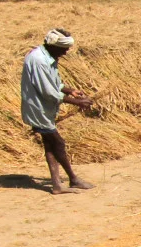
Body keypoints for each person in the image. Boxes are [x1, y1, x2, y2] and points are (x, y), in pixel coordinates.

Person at [20, 28, 95, 194]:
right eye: (64, 49)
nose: (66, 52)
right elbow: (48, 92)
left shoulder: (47, 57)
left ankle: (56, 184)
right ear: (54, 46)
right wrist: (77, 102)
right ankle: (73, 178)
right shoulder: (39, 61)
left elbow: (53, 83)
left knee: (50, 145)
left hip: (44, 108)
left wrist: (69, 91)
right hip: (39, 109)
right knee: (58, 143)